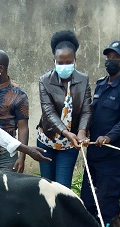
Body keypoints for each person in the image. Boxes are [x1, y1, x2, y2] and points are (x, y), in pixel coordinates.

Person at [81, 40, 120, 227]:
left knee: (107, 203)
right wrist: (85, 130)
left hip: (113, 155)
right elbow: (91, 112)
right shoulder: (100, 84)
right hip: (94, 154)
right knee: (88, 200)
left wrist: (108, 137)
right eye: (109, 57)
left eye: (116, 57)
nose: (111, 60)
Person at [36, 30, 92, 188]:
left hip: (70, 144)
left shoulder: (83, 80)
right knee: (47, 186)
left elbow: (87, 109)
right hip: (47, 140)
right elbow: (48, 112)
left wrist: (82, 131)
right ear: (54, 60)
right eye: (60, 62)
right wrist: (66, 133)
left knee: (63, 187)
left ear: (75, 60)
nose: (64, 66)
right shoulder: (45, 81)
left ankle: (61, 214)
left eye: (69, 62)